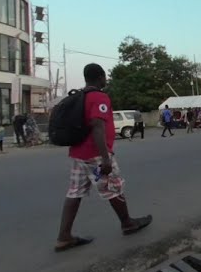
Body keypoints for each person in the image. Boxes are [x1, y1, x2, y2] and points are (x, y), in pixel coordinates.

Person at [55, 63, 152, 252]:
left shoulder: (79, 97)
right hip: (95, 156)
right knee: (113, 187)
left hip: (78, 154)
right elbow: (97, 126)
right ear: (100, 77)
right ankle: (128, 223)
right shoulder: (99, 97)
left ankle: (64, 236)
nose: (105, 80)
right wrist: (105, 158)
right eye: (104, 76)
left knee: (75, 192)